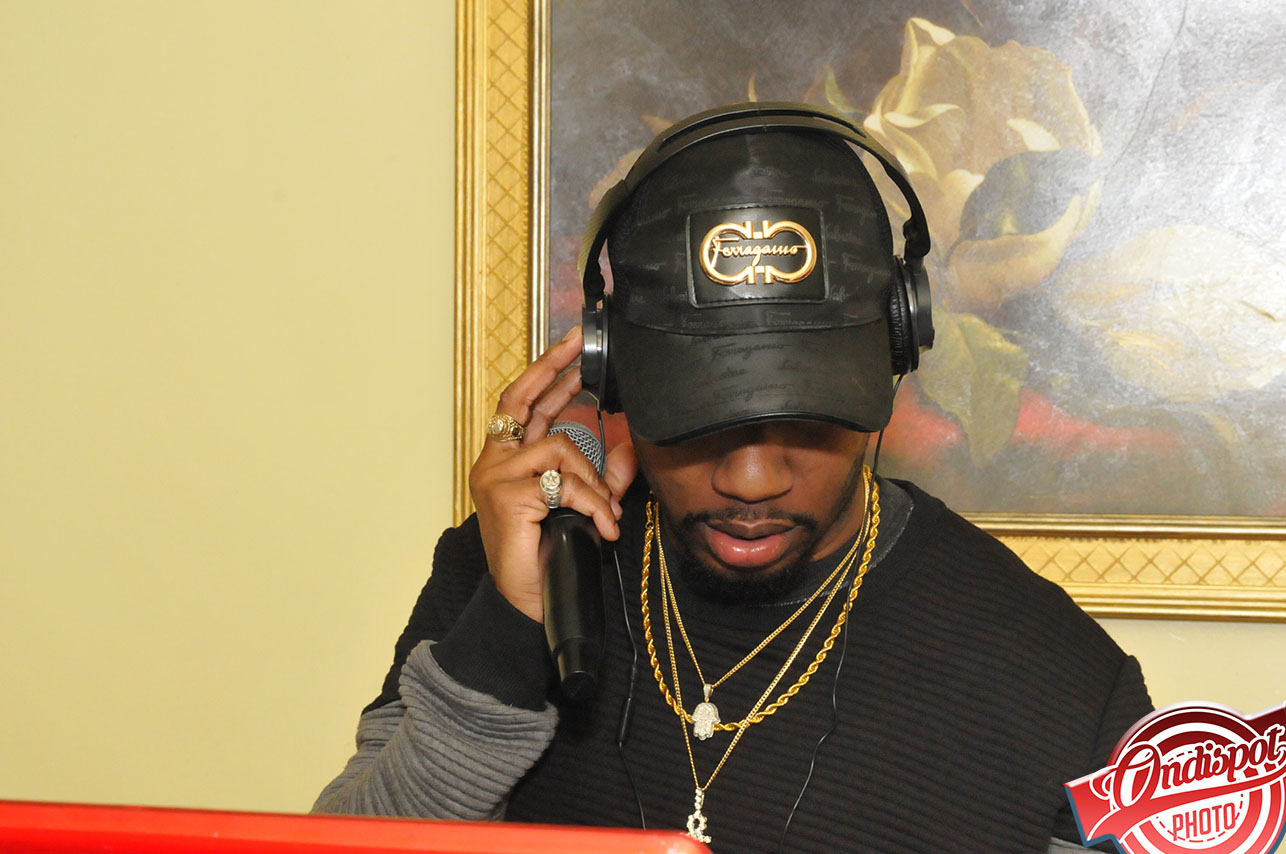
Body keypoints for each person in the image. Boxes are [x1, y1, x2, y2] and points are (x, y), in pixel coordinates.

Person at [312, 103, 1152, 853]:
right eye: (700, 419)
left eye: (808, 418)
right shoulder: (508, 568)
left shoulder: (1062, 683)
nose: (751, 480)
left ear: (895, 353)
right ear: (614, 374)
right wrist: (508, 632)